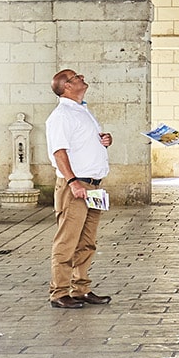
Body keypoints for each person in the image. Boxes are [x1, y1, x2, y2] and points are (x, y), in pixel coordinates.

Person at [45, 67, 114, 309]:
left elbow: (83, 144)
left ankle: (80, 288)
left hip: (93, 186)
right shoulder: (61, 115)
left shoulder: (82, 110)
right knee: (67, 240)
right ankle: (59, 292)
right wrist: (73, 182)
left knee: (87, 241)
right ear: (66, 86)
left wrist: (104, 140)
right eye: (76, 78)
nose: (82, 78)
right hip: (77, 185)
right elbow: (59, 152)